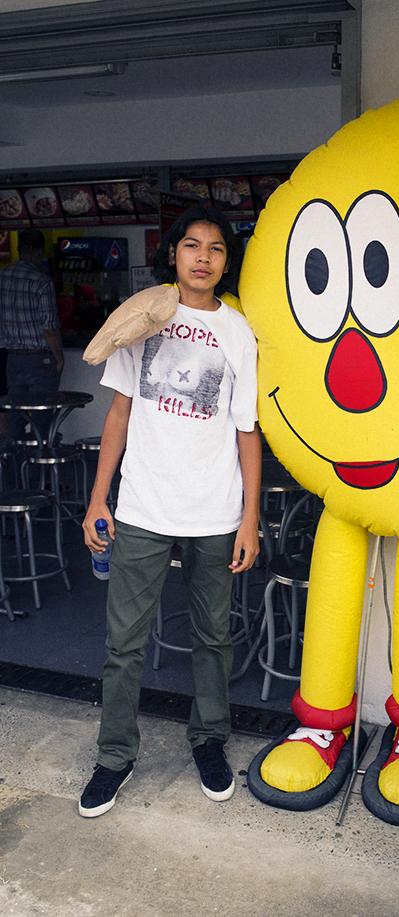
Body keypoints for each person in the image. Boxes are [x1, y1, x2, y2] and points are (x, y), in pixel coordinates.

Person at [79, 205, 262, 817]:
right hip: (143, 507)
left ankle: (209, 741)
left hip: (213, 511)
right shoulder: (143, 316)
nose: (203, 257)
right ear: (174, 255)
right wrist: (99, 496)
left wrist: (249, 518)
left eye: (214, 248)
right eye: (191, 246)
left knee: (213, 636)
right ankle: (114, 756)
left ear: (226, 262)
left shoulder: (238, 331)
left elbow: (247, 433)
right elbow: (119, 413)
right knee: (123, 642)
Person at [0, 228, 64, 440]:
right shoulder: (42, 282)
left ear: (18, 249)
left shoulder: (2, 277)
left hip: (13, 359)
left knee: (16, 414)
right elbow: (50, 327)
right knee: (42, 416)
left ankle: (15, 468)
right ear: (40, 250)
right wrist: (59, 357)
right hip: (40, 359)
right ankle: (40, 468)